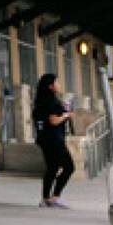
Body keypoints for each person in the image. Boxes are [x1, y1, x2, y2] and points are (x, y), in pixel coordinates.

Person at [33, 72, 77, 207]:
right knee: (69, 167)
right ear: (50, 86)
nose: (59, 84)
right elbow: (53, 120)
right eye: (57, 82)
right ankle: (55, 197)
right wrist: (66, 115)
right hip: (54, 140)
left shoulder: (40, 101)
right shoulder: (52, 101)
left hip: (43, 139)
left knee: (52, 167)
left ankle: (45, 199)